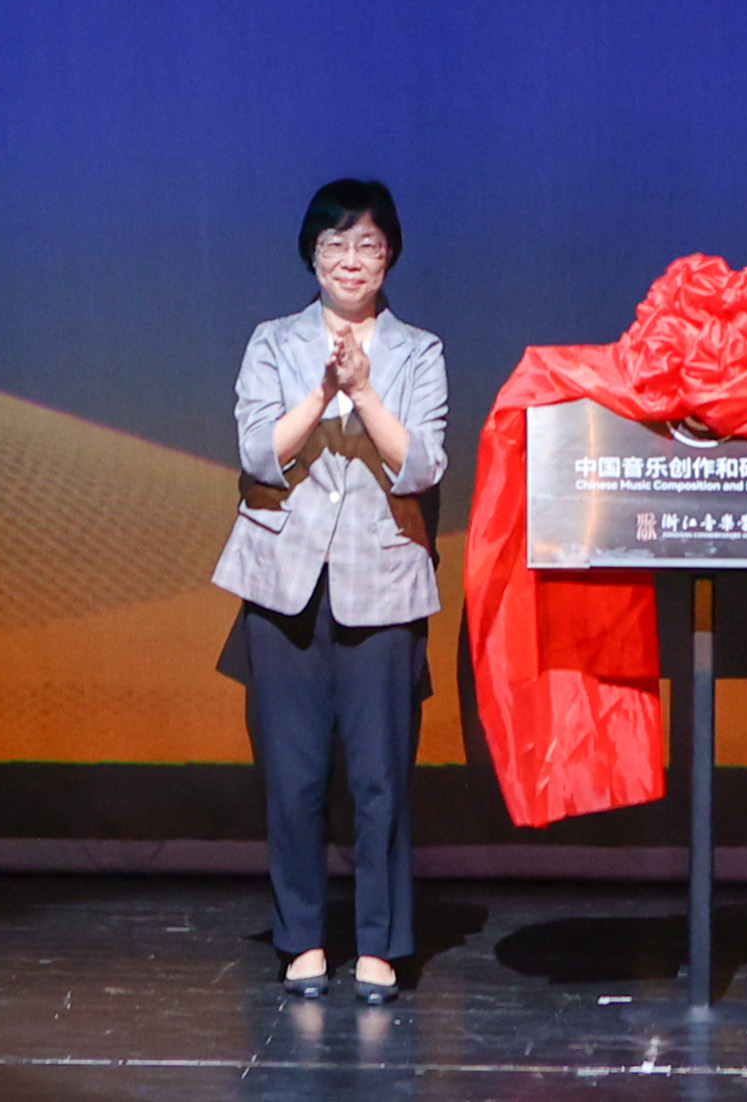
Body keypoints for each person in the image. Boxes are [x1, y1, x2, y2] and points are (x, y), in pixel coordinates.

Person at [217, 177, 448, 1003]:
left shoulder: (419, 351)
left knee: (380, 779)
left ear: (390, 257)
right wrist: (321, 389)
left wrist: (365, 389)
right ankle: (302, 938)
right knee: (294, 777)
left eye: (368, 245)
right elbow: (257, 453)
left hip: (382, 582)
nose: (351, 260)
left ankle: (381, 943)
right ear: (311, 256)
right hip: (284, 585)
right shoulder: (273, 342)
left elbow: (422, 465)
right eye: (335, 245)